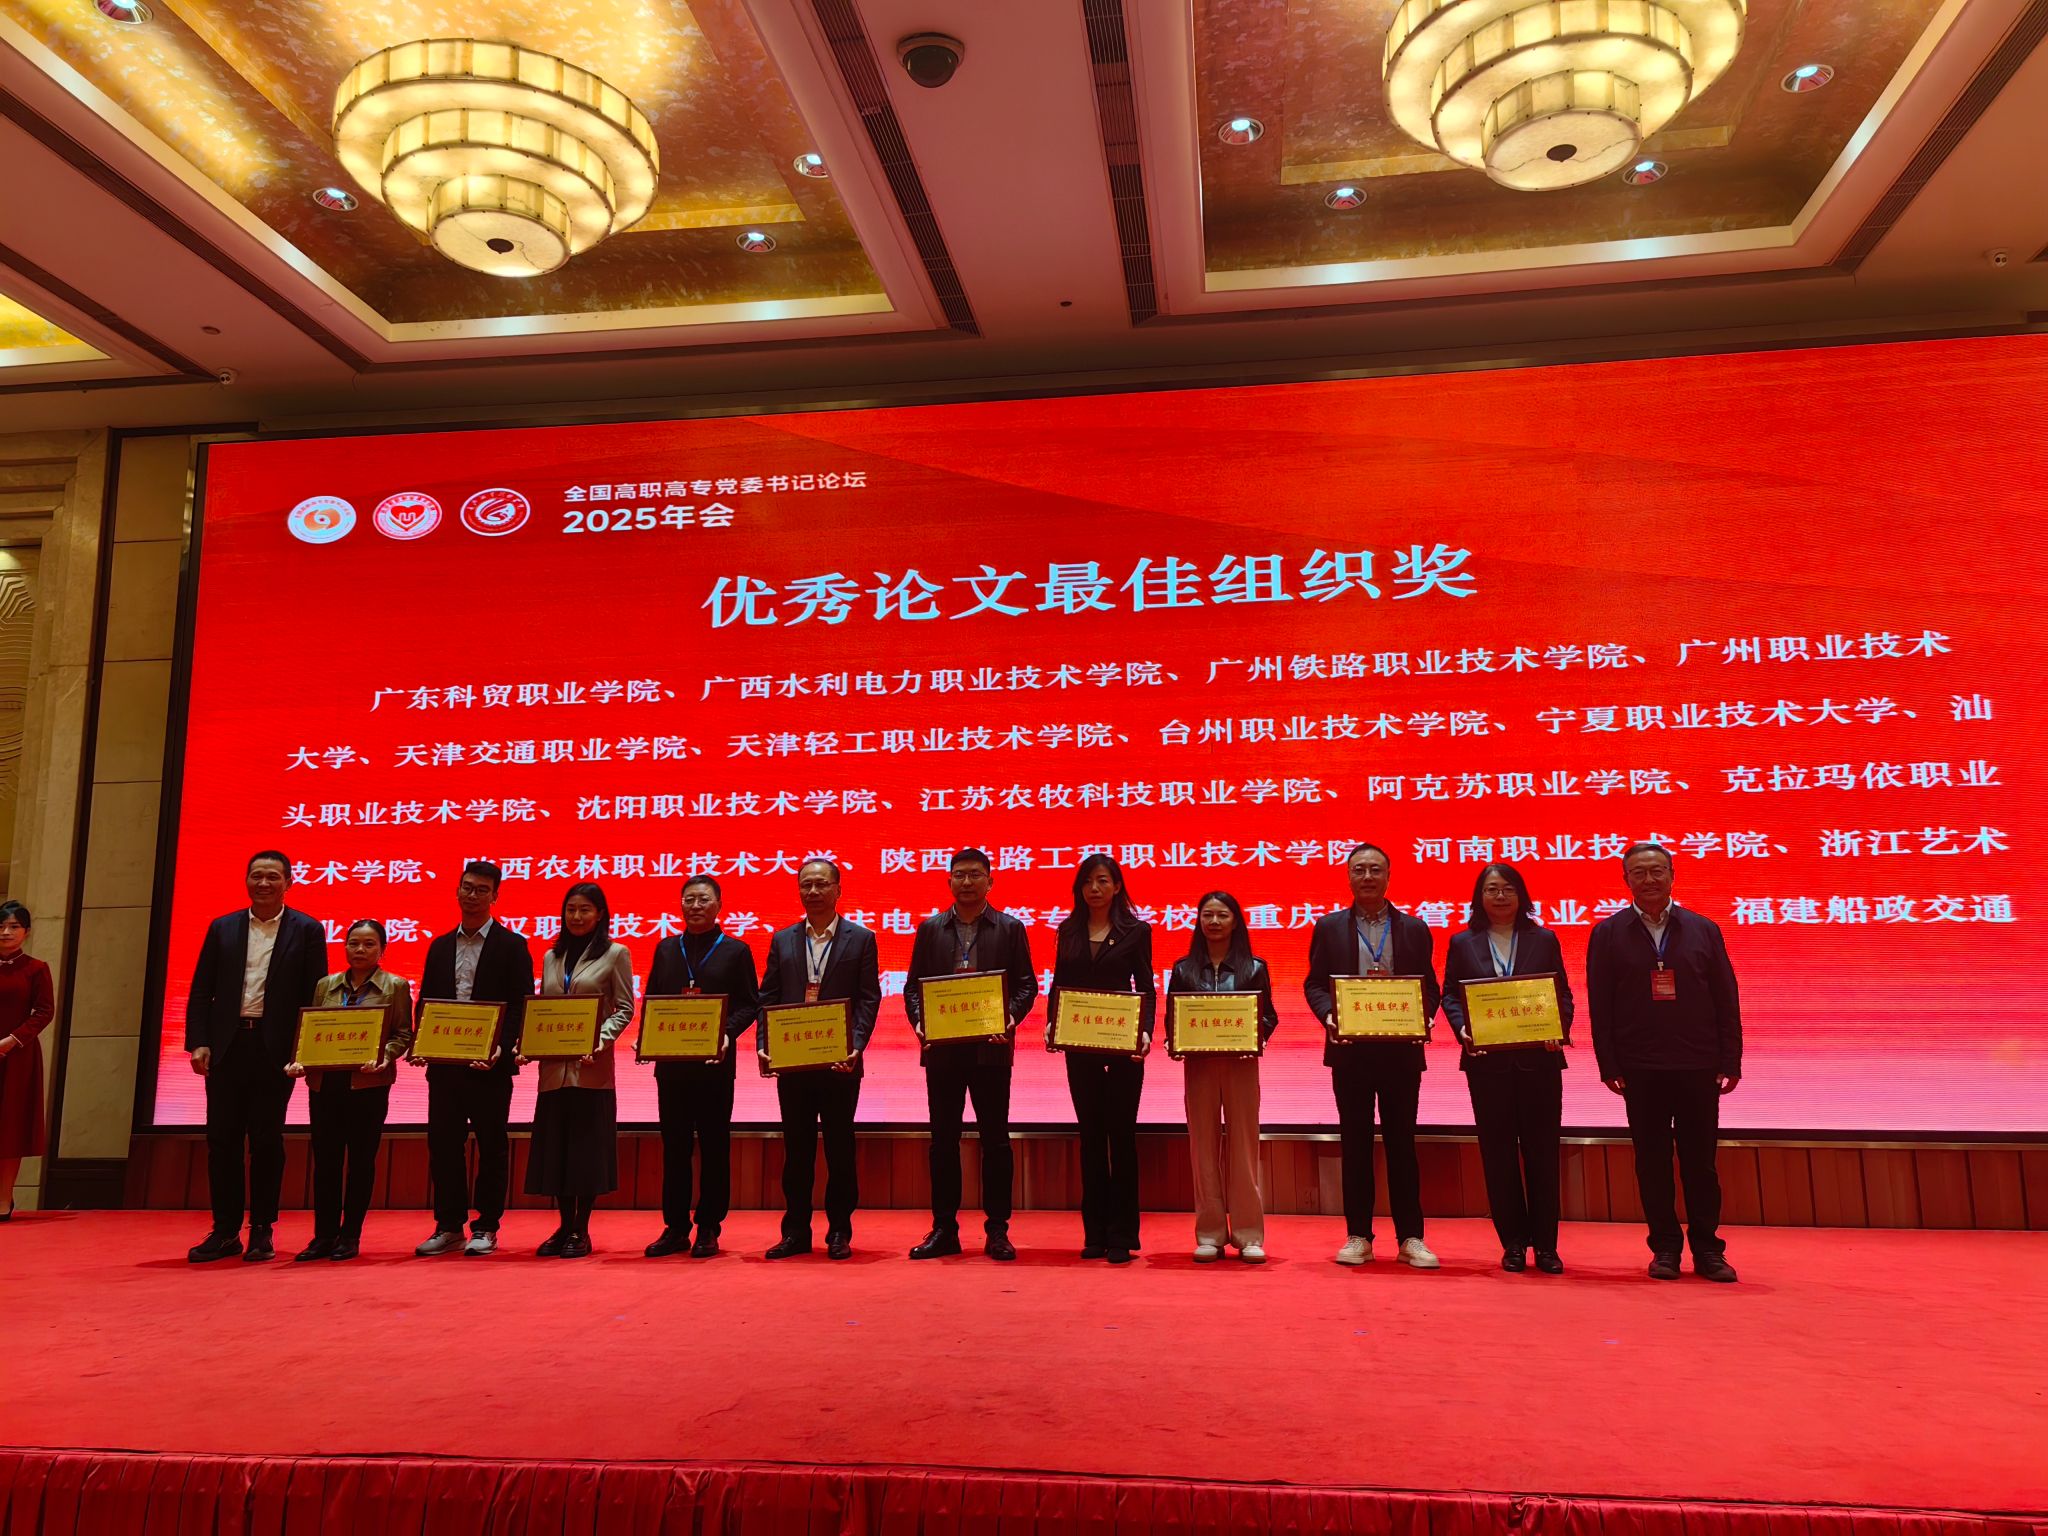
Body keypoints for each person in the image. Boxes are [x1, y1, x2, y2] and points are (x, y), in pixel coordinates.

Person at [1588, 842, 1742, 1283]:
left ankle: (1708, 1250)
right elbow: (1601, 1005)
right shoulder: (1608, 933)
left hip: (1698, 1064)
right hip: (1640, 1068)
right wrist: (1609, 1064)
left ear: (1672, 875)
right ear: (1626, 881)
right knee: (1651, 1164)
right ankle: (1666, 1249)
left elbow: (1725, 997)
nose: (1649, 880)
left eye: (1657, 871)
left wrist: (1730, 1058)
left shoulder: (1703, 929)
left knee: (1701, 1164)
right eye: (1639, 872)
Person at [184, 851, 330, 1263]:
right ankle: (225, 1230)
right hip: (227, 1046)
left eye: (272, 877)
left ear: (288, 882)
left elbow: (315, 995)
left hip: (274, 1051)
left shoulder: (307, 929)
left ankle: (262, 1229)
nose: (263, 883)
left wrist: (305, 1050)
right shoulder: (223, 927)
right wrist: (199, 1041)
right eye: (256, 876)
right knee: (222, 1140)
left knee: (266, 1141)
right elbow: (201, 989)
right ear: (246, 880)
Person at [1304, 843, 1443, 1269]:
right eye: (1359, 869)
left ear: (1388, 876)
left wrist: (1424, 1016)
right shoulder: (1328, 927)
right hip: (1350, 1053)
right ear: (1348, 876)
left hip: (1400, 1053)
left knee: (1403, 1144)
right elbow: (1314, 985)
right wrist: (1329, 1016)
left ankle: (1411, 1237)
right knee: (1355, 1144)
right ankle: (1359, 1235)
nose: (1367, 877)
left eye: (1375, 870)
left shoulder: (1414, 928)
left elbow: (1430, 988)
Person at [902, 848, 1038, 1261]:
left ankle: (997, 1230)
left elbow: (1026, 985)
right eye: (959, 875)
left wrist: (1010, 1017)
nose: (966, 882)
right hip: (943, 1052)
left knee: (995, 1141)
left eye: (975, 874)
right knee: (943, 1141)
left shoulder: (1009, 928)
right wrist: (920, 1023)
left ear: (990, 881)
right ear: (949, 881)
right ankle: (944, 1228)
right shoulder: (931, 929)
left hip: (990, 1050)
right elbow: (913, 988)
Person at [1440, 864, 1574, 1274]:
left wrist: (1558, 1028)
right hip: (1487, 1065)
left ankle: (1546, 1246)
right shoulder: (1462, 942)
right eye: (1492, 889)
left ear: (1521, 896)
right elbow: (1451, 996)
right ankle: (1513, 1243)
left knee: (1542, 1155)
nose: (1500, 896)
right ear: (1479, 897)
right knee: (1497, 1155)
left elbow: (1562, 994)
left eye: (1508, 889)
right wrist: (1463, 1029)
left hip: (1539, 1063)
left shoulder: (1543, 938)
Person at [757, 858, 881, 1261]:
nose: (813, 891)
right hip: (793, 1062)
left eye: (821, 884)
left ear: (838, 890)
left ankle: (839, 1230)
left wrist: (856, 1045)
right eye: (806, 884)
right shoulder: (783, 940)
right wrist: (764, 1043)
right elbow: (768, 997)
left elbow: (868, 998)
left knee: (840, 1150)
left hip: (840, 1062)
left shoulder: (861, 939)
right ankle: (795, 1231)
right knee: (797, 1152)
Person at [412, 861, 535, 1257]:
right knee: (443, 1145)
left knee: (491, 1146)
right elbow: (426, 1002)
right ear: (457, 891)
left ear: (495, 896)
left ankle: (486, 1226)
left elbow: (520, 1004)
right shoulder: (439, 946)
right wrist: (422, 1043)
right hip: (445, 1066)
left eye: (482, 889)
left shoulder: (512, 945)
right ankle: (449, 1225)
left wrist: (502, 1046)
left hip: (490, 1066)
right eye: (467, 887)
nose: (472, 895)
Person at [642, 875, 759, 1258]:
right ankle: (675, 1227)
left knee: (714, 1147)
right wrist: (646, 1037)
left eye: (703, 899)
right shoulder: (666, 949)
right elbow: (653, 1000)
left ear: (719, 905)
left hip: (714, 1065)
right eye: (689, 899)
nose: (695, 906)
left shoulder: (736, 951)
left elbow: (749, 1003)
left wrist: (726, 1034)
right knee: (674, 1148)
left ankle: (709, 1226)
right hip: (672, 1068)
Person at [1048, 855, 1155, 1264]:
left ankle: (1122, 1235)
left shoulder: (1136, 931)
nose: (1095, 888)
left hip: (1123, 1046)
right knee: (1091, 1136)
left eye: (1103, 881)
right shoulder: (1069, 930)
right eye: (1088, 881)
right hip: (1081, 1044)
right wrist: (1053, 1023)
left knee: (1121, 1137)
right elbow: (1060, 983)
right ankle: (1094, 1233)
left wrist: (1145, 1030)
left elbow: (1145, 986)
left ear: (1117, 887)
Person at [286, 920, 413, 1261]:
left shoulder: (395, 986)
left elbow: (403, 1034)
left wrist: (385, 1056)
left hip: (368, 1084)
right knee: (326, 1162)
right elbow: (310, 1030)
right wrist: (300, 1059)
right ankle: (323, 1236)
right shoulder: (326, 985)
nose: (360, 950)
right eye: (353, 943)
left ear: (382, 949)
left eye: (369, 944)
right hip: (325, 1084)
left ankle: (350, 1235)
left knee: (360, 1162)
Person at [519, 882, 634, 1258]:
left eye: (585, 909)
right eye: (571, 909)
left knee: (585, 1153)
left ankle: (580, 1230)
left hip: (591, 1069)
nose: (577, 916)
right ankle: (563, 1225)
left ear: (600, 914)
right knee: (557, 1151)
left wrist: (599, 1040)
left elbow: (624, 1008)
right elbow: (545, 1011)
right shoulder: (552, 956)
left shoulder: (616, 953)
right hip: (554, 1071)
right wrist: (528, 1044)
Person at [1168, 892, 1278, 1262]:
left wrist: (1255, 1038)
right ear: (1199, 921)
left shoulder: (1254, 968)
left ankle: (1248, 1234)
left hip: (1241, 1065)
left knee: (1244, 1149)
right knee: (1202, 1148)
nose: (1214, 922)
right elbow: (1173, 1018)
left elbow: (1268, 1016)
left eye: (1222, 915)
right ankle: (1210, 1234)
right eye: (1207, 915)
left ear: (1235, 921)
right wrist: (1176, 1041)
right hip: (1199, 1066)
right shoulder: (1183, 969)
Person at [0, 902, 55, 1221]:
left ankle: (3, 1198)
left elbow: (45, 1012)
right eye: (1, 927)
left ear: (27, 932)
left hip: (17, 1056)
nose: (6, 932)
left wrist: (11, 1041)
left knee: (11, 1128)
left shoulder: (36, 969)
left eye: (14, 927)